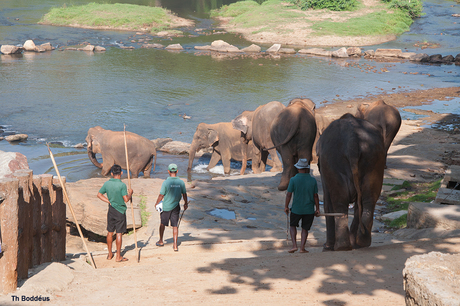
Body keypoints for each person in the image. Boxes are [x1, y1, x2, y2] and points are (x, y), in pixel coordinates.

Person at [97, 164, 133, 262]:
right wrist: (130, 193)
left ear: (112, 173)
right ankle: (118, 256)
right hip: (120, 211)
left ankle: (109, 254)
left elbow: (99, 195)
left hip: (111, 210)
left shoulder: (107, 184)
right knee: (119, 233)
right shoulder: (122, 185)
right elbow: (126, 199)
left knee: (110, 232)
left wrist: (108, 201)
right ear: (121, 173)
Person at [284, 158, 320, 253]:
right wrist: (317, 209)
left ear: (298, 168)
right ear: (307, 168)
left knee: (292, 226)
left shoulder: (293, 179)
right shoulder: (313, 180)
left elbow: (289, 194)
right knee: (305, 229)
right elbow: (315, 196)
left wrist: (286, 206)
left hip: (296, 209)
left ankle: (294, 245)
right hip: (309, 210)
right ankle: (302, 248)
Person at [155, 163, 188, 252]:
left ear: (168, 171)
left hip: (166, 207)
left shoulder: (165, 182)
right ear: (177, 171)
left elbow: (161, 195)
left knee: (162, 223)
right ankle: (175, 245)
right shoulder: (181, 182)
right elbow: (184, 194)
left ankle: (161, 241)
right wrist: (185, 203)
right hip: (176, 206)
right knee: (175, 226)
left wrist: (156, 203)